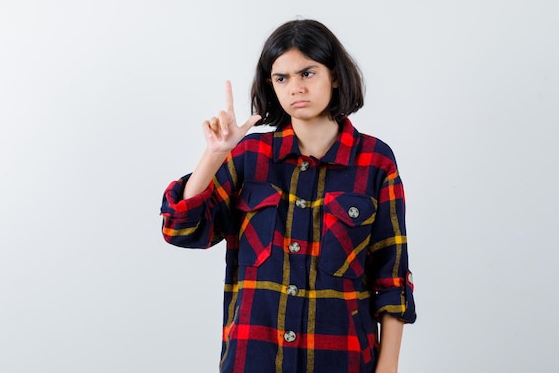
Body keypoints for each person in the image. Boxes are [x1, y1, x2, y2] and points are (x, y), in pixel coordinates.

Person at [160, 19, 416, 373]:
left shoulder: (375, 161)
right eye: (282, 78)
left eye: (307, 74)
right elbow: (181, 229)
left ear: (335, 75)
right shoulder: (249, 156)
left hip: (342, 361)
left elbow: (392, 277)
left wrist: (387, 368)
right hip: (253, 359)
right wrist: (214, 154)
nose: (295, 88)